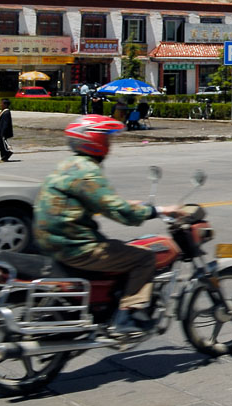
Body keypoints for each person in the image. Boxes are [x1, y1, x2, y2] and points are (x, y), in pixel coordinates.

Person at [33, 115, 180, 335]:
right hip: (77, 246)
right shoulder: (88, 172)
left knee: (119, 249)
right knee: (144, 257)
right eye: (106, 139)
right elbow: (119, 212)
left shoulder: (68, 165)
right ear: (94, 141)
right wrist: (156, 211)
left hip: (52, 240)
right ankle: (128, 315)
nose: (109, 145)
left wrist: (126, 204)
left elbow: (93, 201)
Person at [0, 97, 16, 162]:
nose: (0, 104)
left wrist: (3, 132)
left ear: (5, 104)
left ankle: (6, 155)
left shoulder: (7, 112)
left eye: (1, 103)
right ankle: (5, 155)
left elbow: (6, 123)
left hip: (2, 131)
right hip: (0, 130)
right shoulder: (3, 111)